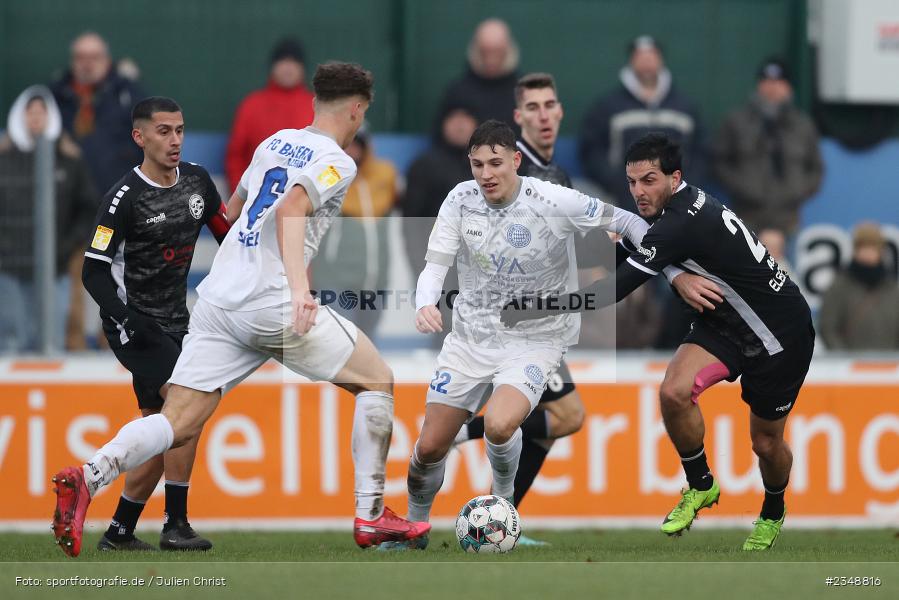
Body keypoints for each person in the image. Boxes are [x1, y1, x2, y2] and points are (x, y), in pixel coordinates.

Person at [51, 63, 430, 558]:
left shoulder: (274, 142)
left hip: (218, 300)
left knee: (178, 421)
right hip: (272, 302)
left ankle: (88, 475)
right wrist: (299, 290)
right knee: (377, 381)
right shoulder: (340, 160)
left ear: (315, 103)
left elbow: (232, 211)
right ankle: (372, 514)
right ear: (358, 109)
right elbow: (293, 209)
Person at [396, 121, 709, 550]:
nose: (485, 174)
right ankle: (413, 530)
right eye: (476, 164)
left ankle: (501, 516)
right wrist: (424, 303)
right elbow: (435, 263)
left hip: (536, 338)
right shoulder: (460, 199)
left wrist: (672, 273)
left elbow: (631, 223)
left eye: (495, 163)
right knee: (429, 447)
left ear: (515, 161)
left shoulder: (553, 200)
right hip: (471, 338)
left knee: (502, 425)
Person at [504, 133, 816, 551]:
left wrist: (533, 305)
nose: (638, 192)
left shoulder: (680, 222)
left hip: (780, 335)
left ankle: (773, 511)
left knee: (765, 442)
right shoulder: (675, 212)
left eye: (649, 180)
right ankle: (701, 485)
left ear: (675, 177)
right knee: (673, 392)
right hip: (722, 320)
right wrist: (673, 274)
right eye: (632, 182)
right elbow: (633, 250)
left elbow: (609, 293)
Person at [78, 97, 230, 552]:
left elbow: (228, 235)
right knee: (187, 410)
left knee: (165, 426)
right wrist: (127, 319)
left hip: (179, 322)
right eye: (163, 131)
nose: (175, 140)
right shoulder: (124, 198)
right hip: (134, 325)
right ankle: (175, 523)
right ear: (139, 137)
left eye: (180, 130)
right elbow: (93, 271)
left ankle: (119, 532)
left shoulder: (199, 182)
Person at [452, 75, 584, 543]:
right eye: (533, 107)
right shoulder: (516, 177)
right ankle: (462, 433)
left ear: (561, 111)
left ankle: (501, 518)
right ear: (519, 118)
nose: (544, 115)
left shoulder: (557, 177)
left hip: (540, 319)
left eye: (550, 105)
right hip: (516, 326)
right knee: (568, 416)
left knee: (555, 425)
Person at [0, 86, 97, 353]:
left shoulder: (69, 160)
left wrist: (67, 246)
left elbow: (87, 208)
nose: (35, 119)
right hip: (8, 269)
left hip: (55, 266)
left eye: (41, 113)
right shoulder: (4, 159)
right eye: (29, 113)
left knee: (50, 342)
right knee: (11, 341)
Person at [579, 35, 704, 210]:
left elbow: (701, 151)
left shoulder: (685, 107)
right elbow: (591, 150)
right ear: (631, 61)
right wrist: (619, 182)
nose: (646, 62)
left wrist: (684, 185)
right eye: (640, 57)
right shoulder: (608, 107)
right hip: (625, 200)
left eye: (651, 56)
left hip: (679, 199)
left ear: (661, 60)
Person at [713, 58, 823, 236]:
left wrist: (796, 191)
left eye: (779, 82)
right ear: (758, 85)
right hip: (746, 215)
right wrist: (743, 188)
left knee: (786, 264)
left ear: (789, 87)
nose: (772, 88)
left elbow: (816, 168)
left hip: (788, 218)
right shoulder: (737, 121)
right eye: (767, 81)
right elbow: (719, 162)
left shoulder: (802, 125)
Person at [402, 101, 478, 346]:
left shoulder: (487, 169)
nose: (460, 124)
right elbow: (411, 225)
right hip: (441, 269)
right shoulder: (423, 166)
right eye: (453, 117)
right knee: (446, 339)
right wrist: (420, 269)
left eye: (466, 117)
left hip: (483, 272)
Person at [311, 124, 398, 336]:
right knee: (340, 341)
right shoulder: (326, 177)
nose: (351, 152)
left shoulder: (384, 175)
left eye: (356, 145)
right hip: (335, 282)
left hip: (376, 280)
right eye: (345, 145)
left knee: (367, 344)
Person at [50, 32, 145, 196]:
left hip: (118, 193)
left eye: (94, 57)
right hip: (68, 196)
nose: (87, 64)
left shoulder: (128, 94)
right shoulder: (56, 96)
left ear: (107, 60)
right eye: (80, 58)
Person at [224, 37, 315, 192]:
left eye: (294, 62)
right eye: (282, 61)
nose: (288, 67)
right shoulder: (252, 105)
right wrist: (241, 196)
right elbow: (235, 155)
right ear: (273, 67)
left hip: (303, 202)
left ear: (302, 68)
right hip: (257, 199)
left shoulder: (316, 106)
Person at [819, 222, 899, 350]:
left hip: (889, 366)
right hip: (850, 367)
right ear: (855, 250)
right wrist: (843, 359)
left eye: (873, 247)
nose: (867, 252)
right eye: (862, 247)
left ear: (881, 251)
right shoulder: (839, 286)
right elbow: (828, 328)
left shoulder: (893, 289)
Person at [439, 19, 520, 127]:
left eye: (497, 52)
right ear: (476, 51)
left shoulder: (523, 93)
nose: (491, 60)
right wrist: (452, 135)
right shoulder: (457, 92)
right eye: (485, 52)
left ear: (508, 51)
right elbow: (437, 138)